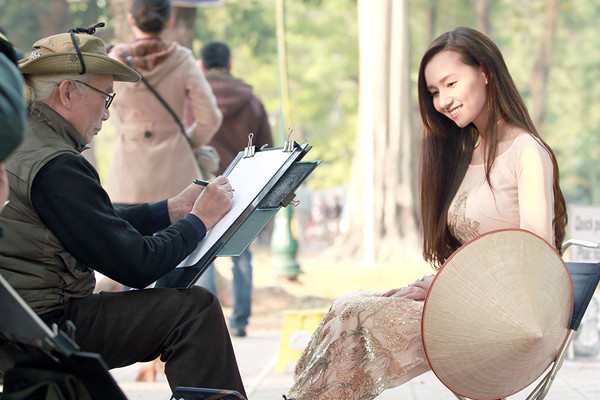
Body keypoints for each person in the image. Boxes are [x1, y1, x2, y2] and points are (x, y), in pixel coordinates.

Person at [283, 26, 567, 400]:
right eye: (434, 92)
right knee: (347, 305)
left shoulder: (526, 150)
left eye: (451, 83)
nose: (443, 100)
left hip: (511, 320)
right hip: (466, 304)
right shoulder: (468, 154)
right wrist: (435, 284)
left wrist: (441, 287)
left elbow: (537, 264)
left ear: (485, 73)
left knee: (356, 315)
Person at [0, 25, 246, 398]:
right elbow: (136, 265)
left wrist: (170, 210)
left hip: (20, 318)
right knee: (194, 311)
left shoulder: (27, 140)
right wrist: (201, 220)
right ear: (67, 92)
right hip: (45, 326)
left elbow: (87, 222)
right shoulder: (56, 163)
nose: (106, 114)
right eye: (106, 97)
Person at [193, 40, 274, 338]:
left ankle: (209, 322)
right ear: (230, 64)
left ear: (201, 66)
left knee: (203, 253)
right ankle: (239, 322)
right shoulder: (252, 101)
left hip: (202, 185)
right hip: (243, 187)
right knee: (242, 255)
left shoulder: (194, 99)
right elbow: (267, 148)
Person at [105, 0, 222, 205]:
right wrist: (186, 143)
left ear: (131, 19)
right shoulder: (182, 60)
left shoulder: (114, 61)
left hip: (127, 179)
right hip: (177, 177)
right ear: (169, 21)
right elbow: (210, 119)